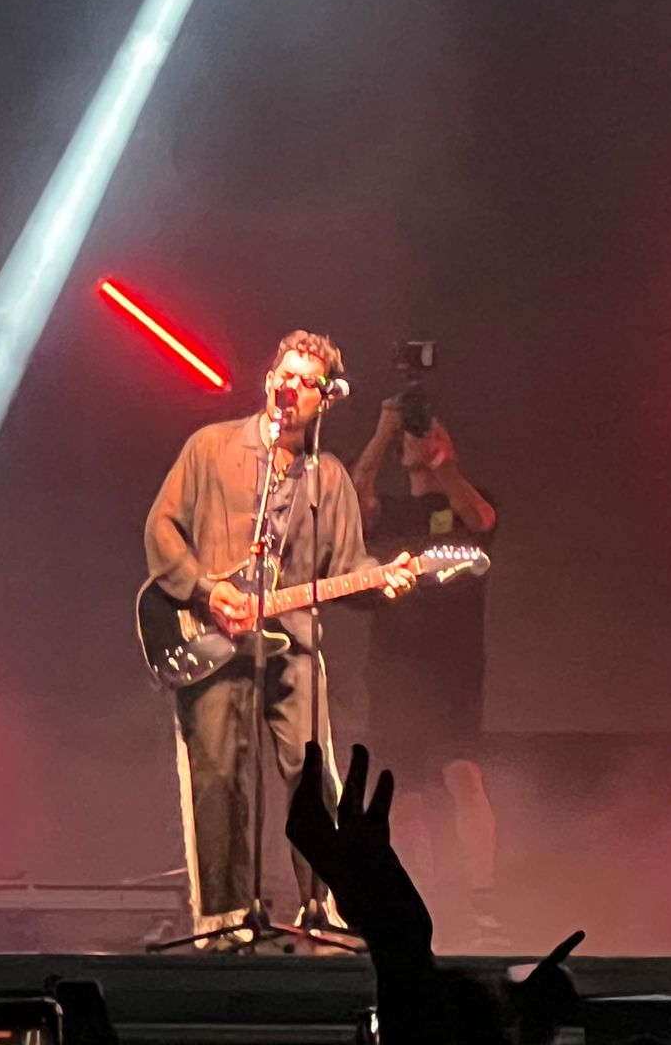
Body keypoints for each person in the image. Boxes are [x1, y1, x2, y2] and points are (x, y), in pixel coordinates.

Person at [143, 330, 417, 942]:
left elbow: (346, 568)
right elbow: (161, 528)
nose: (288, 385)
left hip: (292, 647)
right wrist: (205, 589)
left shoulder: (331, 478)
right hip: (211, 643)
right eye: (281, 373)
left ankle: (327, 908)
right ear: (269, 379)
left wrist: (385, 577)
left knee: (311, 772)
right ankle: (224, 920)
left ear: (326, 400)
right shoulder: (212, 447)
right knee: (218, 775)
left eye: (303, 379)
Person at [351, 397, 504, 950]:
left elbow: (482, 519)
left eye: (428, 429)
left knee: (463, 774)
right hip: (394, 667)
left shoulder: (466, 494)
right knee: (403, 791)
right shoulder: (388, 510)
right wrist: (384, 426)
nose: (418, 438)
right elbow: (353, 498)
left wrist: (446, 466)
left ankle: (482, 903)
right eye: (411, 437)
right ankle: (422, 900)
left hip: (453, 667)